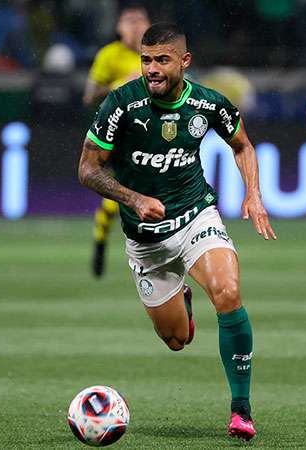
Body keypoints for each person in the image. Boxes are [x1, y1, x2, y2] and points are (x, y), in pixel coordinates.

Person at [78, 23, 276, 441]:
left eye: (161, 60)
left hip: (196, 218)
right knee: (175, 340)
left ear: (184, 61)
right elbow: (88, 169)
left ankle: (241, 409)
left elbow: (242, 145)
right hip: (145, 241)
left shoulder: (207, 103)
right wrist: (132, 199)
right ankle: (180, 300)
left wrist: (253, 194)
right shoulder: (120, 105)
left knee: (227, 292)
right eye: (146, 60)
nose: (151, 69)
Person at [83, 4, 150, 278]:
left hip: (153, 134)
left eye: (139, 21)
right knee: (118, 195)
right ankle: (100, 240)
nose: (134, 26)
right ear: (119, 27)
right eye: (128, 21)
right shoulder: (109, 55)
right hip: (120, 135)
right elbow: (89, 96)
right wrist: (118, 84)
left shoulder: (156, 54)